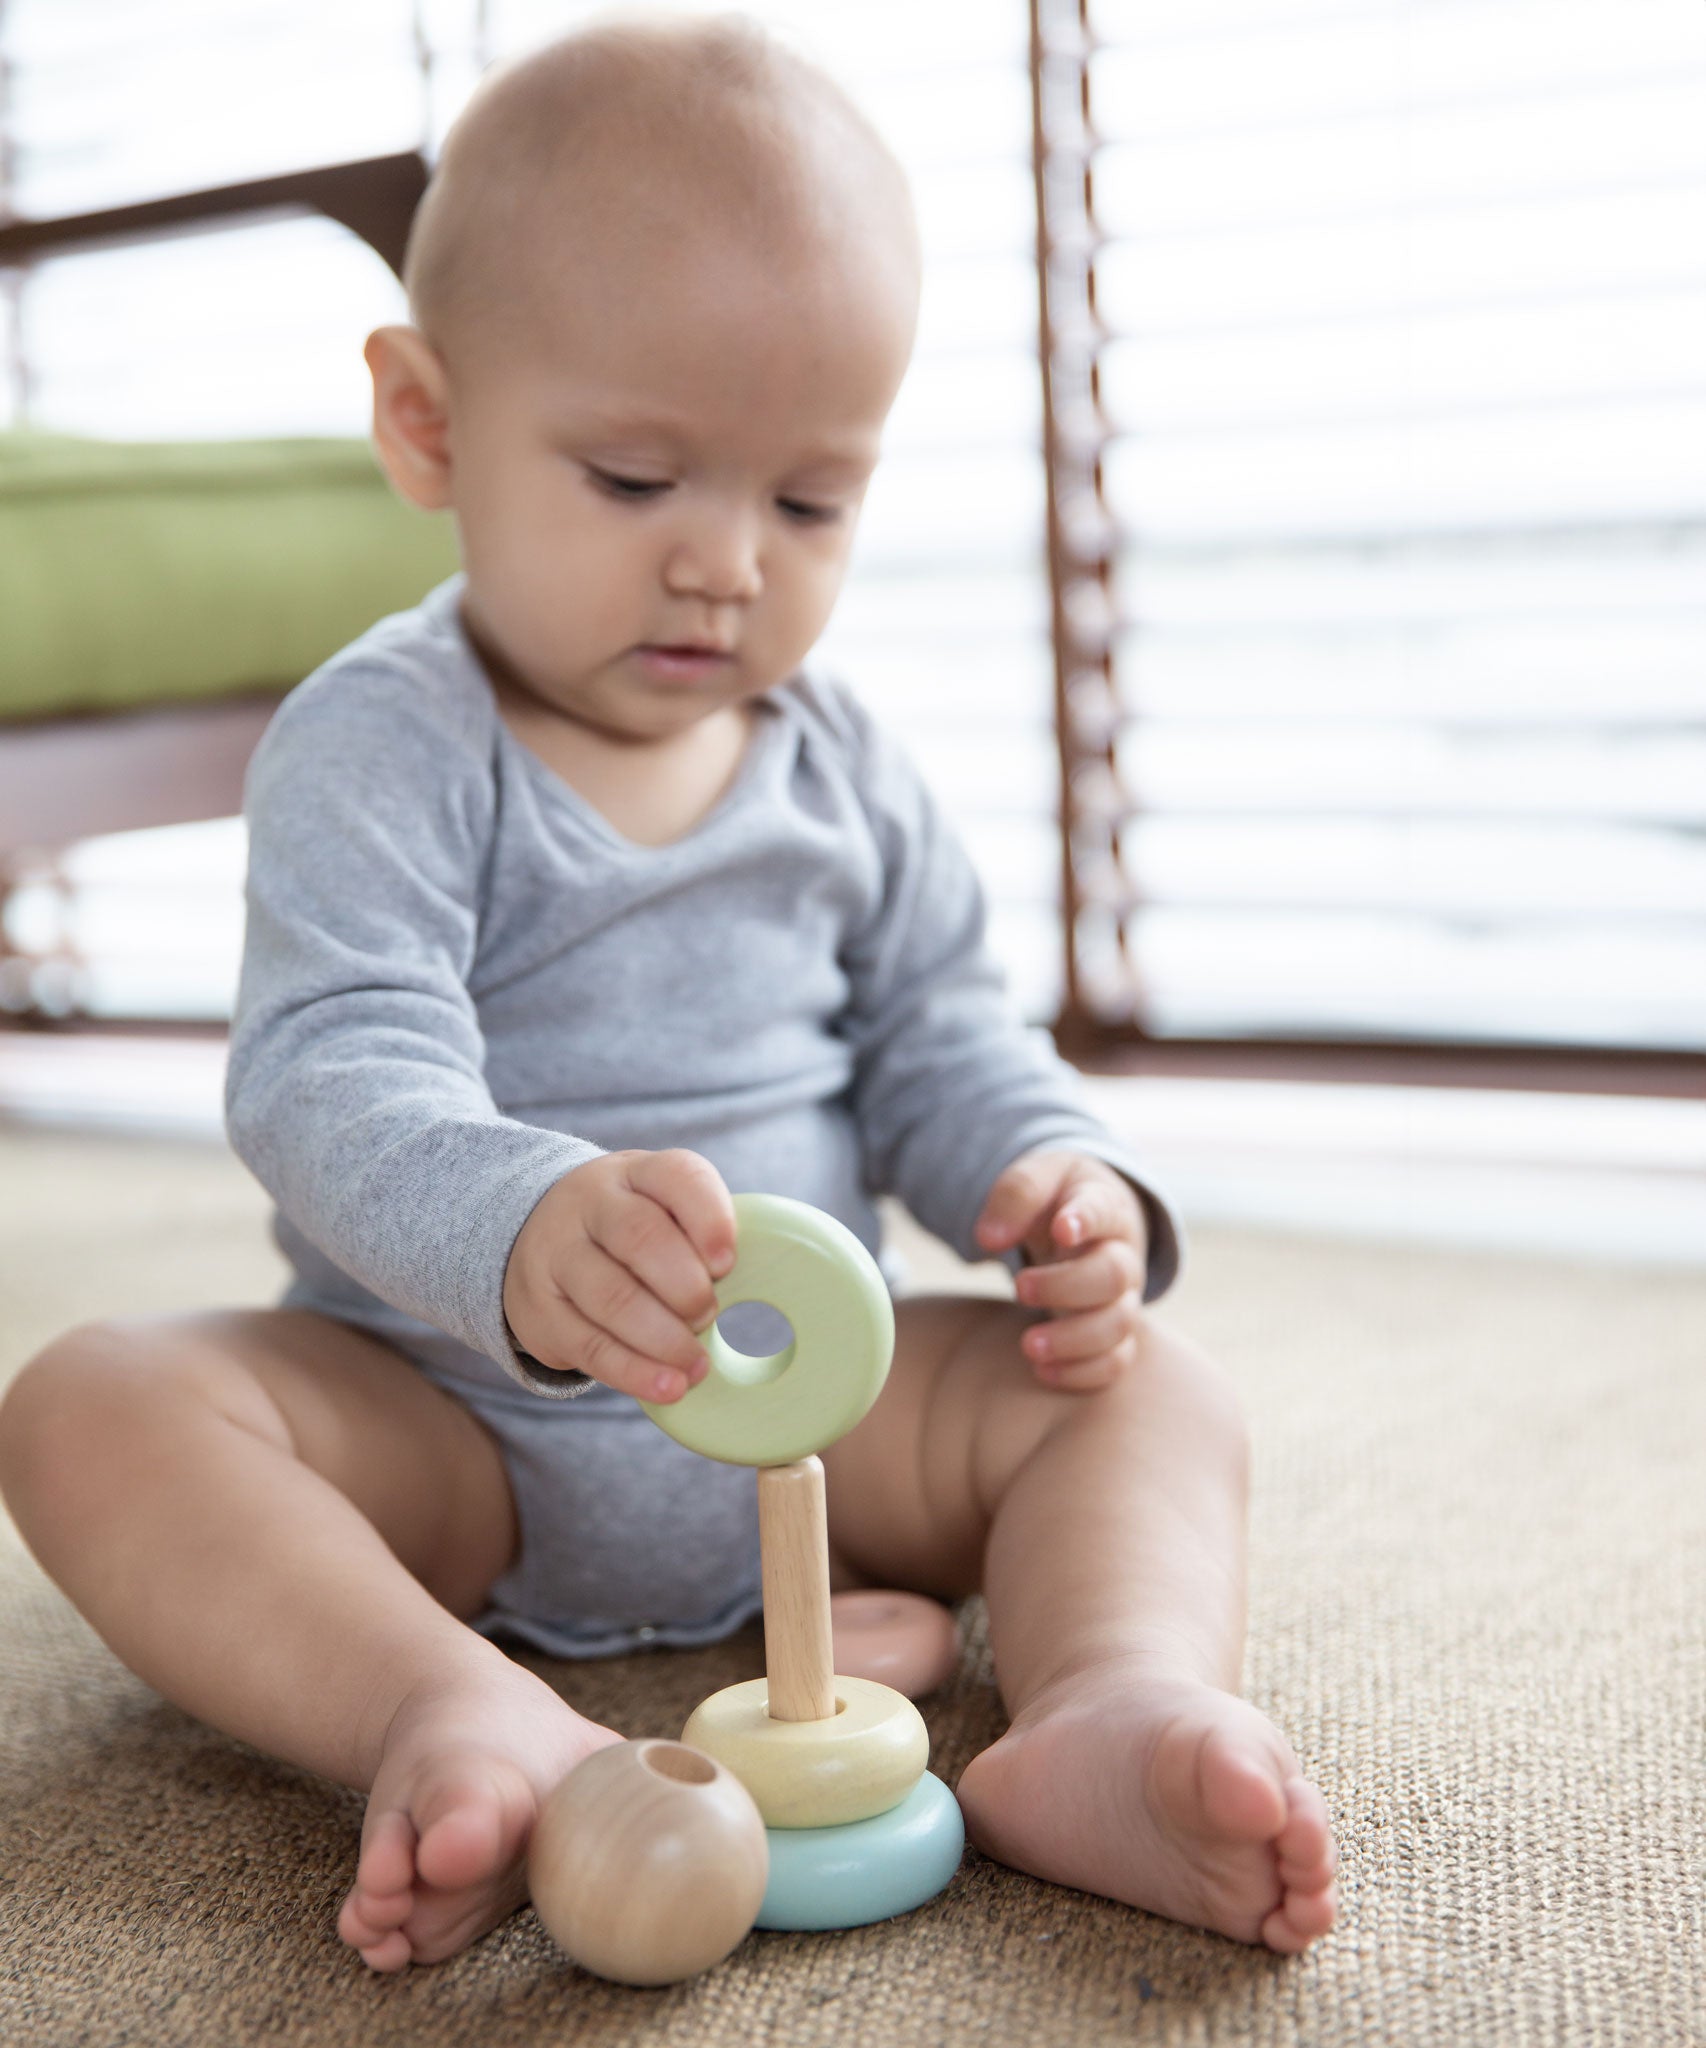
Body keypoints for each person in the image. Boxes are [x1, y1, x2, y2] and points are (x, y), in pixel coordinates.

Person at [0, 15, 1337, 1971]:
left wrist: (1055, 1181)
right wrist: (525, 1223)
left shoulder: (843, 763)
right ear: (429, 425)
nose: (725, 564)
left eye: (809, 504)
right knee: (94, 1405)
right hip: (449, 1433)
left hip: (830, 1424)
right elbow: (328, 1074)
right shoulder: (384, 739)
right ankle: (448, 1704)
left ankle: (1106, 1708)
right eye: (635, 476)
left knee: (1151, 1394)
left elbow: (940, 1036)